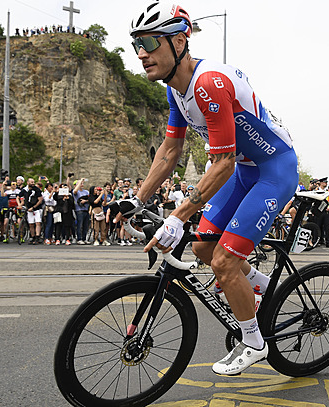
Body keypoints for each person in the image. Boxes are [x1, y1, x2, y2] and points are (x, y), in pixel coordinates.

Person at [116, 1, 298, 376]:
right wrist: (137, 200)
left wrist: (178, 216)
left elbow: (223, 161)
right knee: (202, 244)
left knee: (224, 261)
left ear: (180, 41)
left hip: (273, 170)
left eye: (150, 42)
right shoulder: (175, 90)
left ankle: (254, 342)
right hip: (245, 169)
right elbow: (170, 150)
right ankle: (261, 287)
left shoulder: (208, 84)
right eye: (137, 44)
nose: (141, 54)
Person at [20, 178, 44, 244]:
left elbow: (40, 200)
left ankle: (37, 237)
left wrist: (33, 207)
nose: (33, 183)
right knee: (31, 224)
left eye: (33, 182)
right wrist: (20, 204)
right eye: (31, 182)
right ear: (27, 182)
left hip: (36, 209)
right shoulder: (25, 190)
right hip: (29, 209)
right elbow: (18, 196)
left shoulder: (37, 190)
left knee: (37, 223)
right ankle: (32, 237)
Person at [73, 178, 90, 245]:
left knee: (86, 225)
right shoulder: (77, 192)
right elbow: (75, 191)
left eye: (82, 183)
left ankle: (84, 238)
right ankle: (79, 238)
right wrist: (80, 181)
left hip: (86, 209)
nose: (82, 184)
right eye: (80, 183)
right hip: (79, 210)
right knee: (80, 225)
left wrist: (85, 201)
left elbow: (90, 198)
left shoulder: (86, 192)